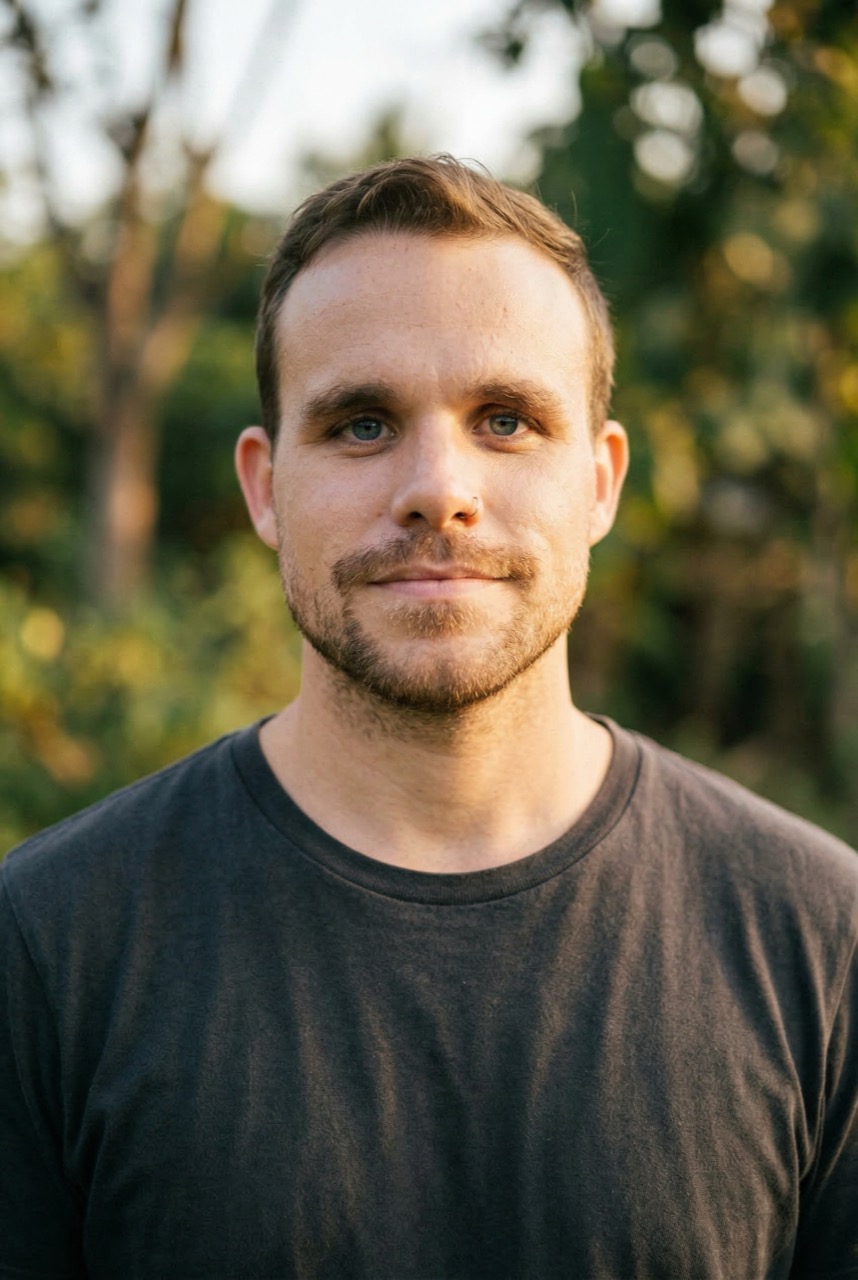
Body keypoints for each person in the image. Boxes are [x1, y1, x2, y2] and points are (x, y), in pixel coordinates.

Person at [1, 156, 856, 1280]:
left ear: (600, 483)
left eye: (505, 419)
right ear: (265, 488)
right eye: (361, 423)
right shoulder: (45, 947)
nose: (437, 486)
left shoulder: (823, 941)